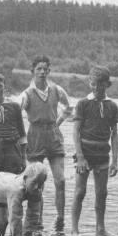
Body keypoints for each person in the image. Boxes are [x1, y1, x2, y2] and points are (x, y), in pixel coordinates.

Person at [19, 55, 72, 226]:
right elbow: (15, 112)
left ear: (49, 71)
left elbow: (69, 107)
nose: (42, 72)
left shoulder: (57, 90)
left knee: (61, 180)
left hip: (53, 135)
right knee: (36, 183)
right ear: (32, 71)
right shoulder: (26, 94)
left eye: (45, 69)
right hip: (35, 136)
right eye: (38, 69)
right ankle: (37, 220)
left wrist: (58, 122)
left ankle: (60, 220)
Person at [70, 66, 118, 236]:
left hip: (102, 155)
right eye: (93, 84)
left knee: (102, 193)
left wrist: (115, 161)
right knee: (80, 192)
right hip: (85, 153)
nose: (96, 88)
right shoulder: (83, 104)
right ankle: (74, 230)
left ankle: (100, 228)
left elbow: (114, 134)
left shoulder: (112, 106)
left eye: (100, 84)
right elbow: (75, 131)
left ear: (107, 84)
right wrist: (81, 157)